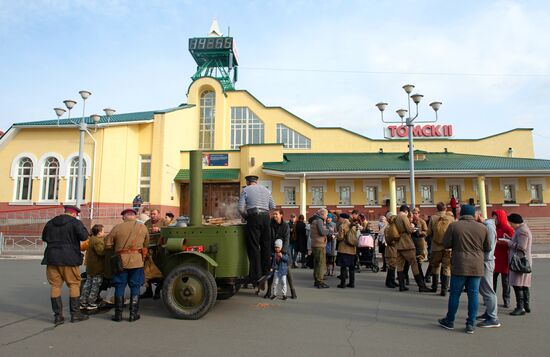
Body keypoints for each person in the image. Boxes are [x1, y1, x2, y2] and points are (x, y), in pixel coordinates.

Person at [438, 205, 490, 334]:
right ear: (473, 214)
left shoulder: (454, 226)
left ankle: (450, 321)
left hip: (460, 264)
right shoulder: (483, 228)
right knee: (473, 295)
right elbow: (487, 247)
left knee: (455, 294)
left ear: (461, 214)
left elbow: (446, 243)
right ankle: (471, 324)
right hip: (476, 265)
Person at [41, 205, 89, 325]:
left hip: (52, 258)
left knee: (55, 286)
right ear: (74, 214)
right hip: (69, 258)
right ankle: (75, 314)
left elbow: (44, 238)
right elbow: (84, 236)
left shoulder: (51, 222)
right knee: (74, 284)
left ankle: (58, 316)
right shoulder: (75, 223)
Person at [105, 208, 150, 322]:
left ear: (124, 217)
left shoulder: (117, 228)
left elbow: (108, 244)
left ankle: (118, 315)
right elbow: (146, 243)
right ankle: (133, 315)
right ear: (134, 216)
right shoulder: (142, 227)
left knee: (119, 286)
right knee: (135, 287)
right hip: (137, 261)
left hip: (121, 262)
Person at [238, 175, 276, 285]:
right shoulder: (266, 190)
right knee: (266, 244)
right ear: (256, 181)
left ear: (248, 182)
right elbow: (272, 206)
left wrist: (246, 217)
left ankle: (255, 275)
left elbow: (240, 208)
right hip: (265, 217)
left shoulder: (246, 189)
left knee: (254, 246)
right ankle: (266, 270)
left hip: (253, 217)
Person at [501, 213, 533, 316]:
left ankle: (521, 307)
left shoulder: (522, 231)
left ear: (515, 222)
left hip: (519, 262)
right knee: (523, 284)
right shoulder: (521, 229)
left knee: (518, 285)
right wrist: (510, 239)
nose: (510, 225)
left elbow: (522, 246)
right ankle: (526, 305)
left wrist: (508, 243)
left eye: (511, 223)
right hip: (521, 261)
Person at [394, 205, 431, 292]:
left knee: (400, 265)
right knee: (414, 263)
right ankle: (421, 286)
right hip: (406, 243)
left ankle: (401, 285)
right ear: (406, 211)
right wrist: (413, 228)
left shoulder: (395, 218)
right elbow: (409, 229)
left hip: (398, 243)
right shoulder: (403, 217)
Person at [475, 209, 501, 328]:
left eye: (473, 216)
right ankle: (489, 313)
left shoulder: (488, 227)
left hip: (486, 261)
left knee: (488, 289)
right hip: (485, 260)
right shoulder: (486, 226)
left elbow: (489, 247)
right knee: (485, 289)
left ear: (479, 215)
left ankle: (493, 318)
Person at [265, 209, 297, 299]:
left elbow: (287, 239)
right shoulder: (270, 224)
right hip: (272, 250)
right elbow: (268, 238)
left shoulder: (285, 225)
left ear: (281, 215)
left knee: (288, 271)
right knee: (271, 271)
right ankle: (268, 291)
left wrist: (282, 252)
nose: (274, 215)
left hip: (284, 251)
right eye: (273, 214)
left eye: (276, 214)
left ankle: (293, 291)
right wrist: (272, 251)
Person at [427, 202, 455, 296]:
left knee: (435, 266)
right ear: (445, 209)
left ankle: (434, 287)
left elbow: (429, 232)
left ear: (437, 208)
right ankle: (444, 289)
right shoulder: (451, 219)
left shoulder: (433, 218)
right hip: (448, 248)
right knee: (446, 267)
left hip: (436, 247)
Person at [80, 224, 106, 310]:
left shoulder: (91, 239)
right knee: (95, 286)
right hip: (97, 267)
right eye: (103, 231)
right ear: (99, 233)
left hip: (90, 267)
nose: (104, 232)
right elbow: (101, 252)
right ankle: (91, 303)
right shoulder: (98, 241)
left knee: (87, 284)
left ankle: (83, 302)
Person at [492, 209, 514, 308]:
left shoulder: (508, 228)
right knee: (492, 279)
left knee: (505, 281)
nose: (494, 219)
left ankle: (506, 300)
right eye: (493, 216)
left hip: (505, 257)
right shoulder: (493, 228)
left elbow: (512, 242)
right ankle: (491, 298)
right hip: (495, 257)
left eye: (496, 217)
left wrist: (502, 242)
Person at [336, 213, 357, 288]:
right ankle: (352, 283)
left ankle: (343, 283)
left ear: (343, 218)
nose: (339, 219)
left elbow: (340, 237)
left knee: (343, 267)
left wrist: (336, 236)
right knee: (351, 268)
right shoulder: (353, 226)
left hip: (344, 249)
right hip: (352, 249)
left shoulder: (342, 226)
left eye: (340, 218)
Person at [310, 208, 330, 288]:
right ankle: (319, 281)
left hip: (315, 244)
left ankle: (317, 280)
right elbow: (322, 232)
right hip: (319, 245)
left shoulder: (314, 220)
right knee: (321, 263)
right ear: (322, 214)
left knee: (317, 263)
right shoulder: (319, 221)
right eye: (326, 214)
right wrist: (329, 230)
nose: (327, 216)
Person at [411, 207, 428, 280]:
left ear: (419, 214)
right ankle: (417, 275)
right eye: (413, 213)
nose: (415, 215)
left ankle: (420, 276)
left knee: (419, 259)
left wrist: (419, 232)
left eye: (416, 213)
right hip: (412, 242)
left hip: (420, 242)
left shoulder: (422, 222)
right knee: (413, 260)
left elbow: (426, 231)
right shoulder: (410, 222)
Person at [384, 212, 399, 289]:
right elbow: (389, 240)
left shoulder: (392, 227)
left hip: (393, 249)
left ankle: (392, 280)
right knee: (391, 265)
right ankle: (389, 282)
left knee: (393, 265)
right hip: (391, 249)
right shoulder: (388, 228)